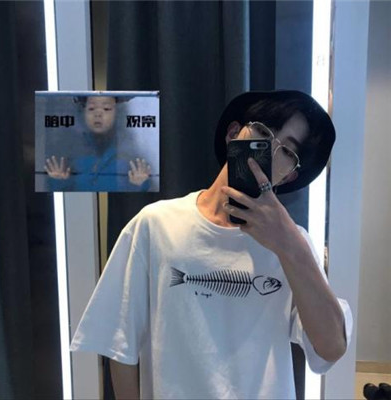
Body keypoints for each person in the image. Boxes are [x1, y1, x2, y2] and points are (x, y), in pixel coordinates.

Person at [70, 91, 353, 399]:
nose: (271, 149)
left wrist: (291, 245)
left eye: (287, 150)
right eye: (264, 132)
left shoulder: (294, 245)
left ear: (289, 175)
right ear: (234, 134)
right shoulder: (156, 224)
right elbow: (118, 342)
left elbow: (331, 347)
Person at [44, 96, 151, 192]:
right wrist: (58, 182)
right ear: (83, 112)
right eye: (91, 108)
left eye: (106, 109)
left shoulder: (132, 156)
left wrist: (138, 185)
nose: (98, 114)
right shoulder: (68, 153)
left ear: (117, 113)